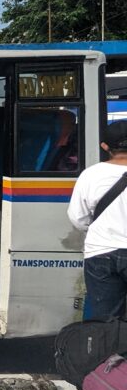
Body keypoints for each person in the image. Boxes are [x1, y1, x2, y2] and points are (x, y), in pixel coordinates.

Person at [68, 121, 127, 320]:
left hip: (100, 252)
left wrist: (99, 229)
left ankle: (110, 352)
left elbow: (78, 218)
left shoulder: (90, 175)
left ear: (105, 146)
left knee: (106, 320)